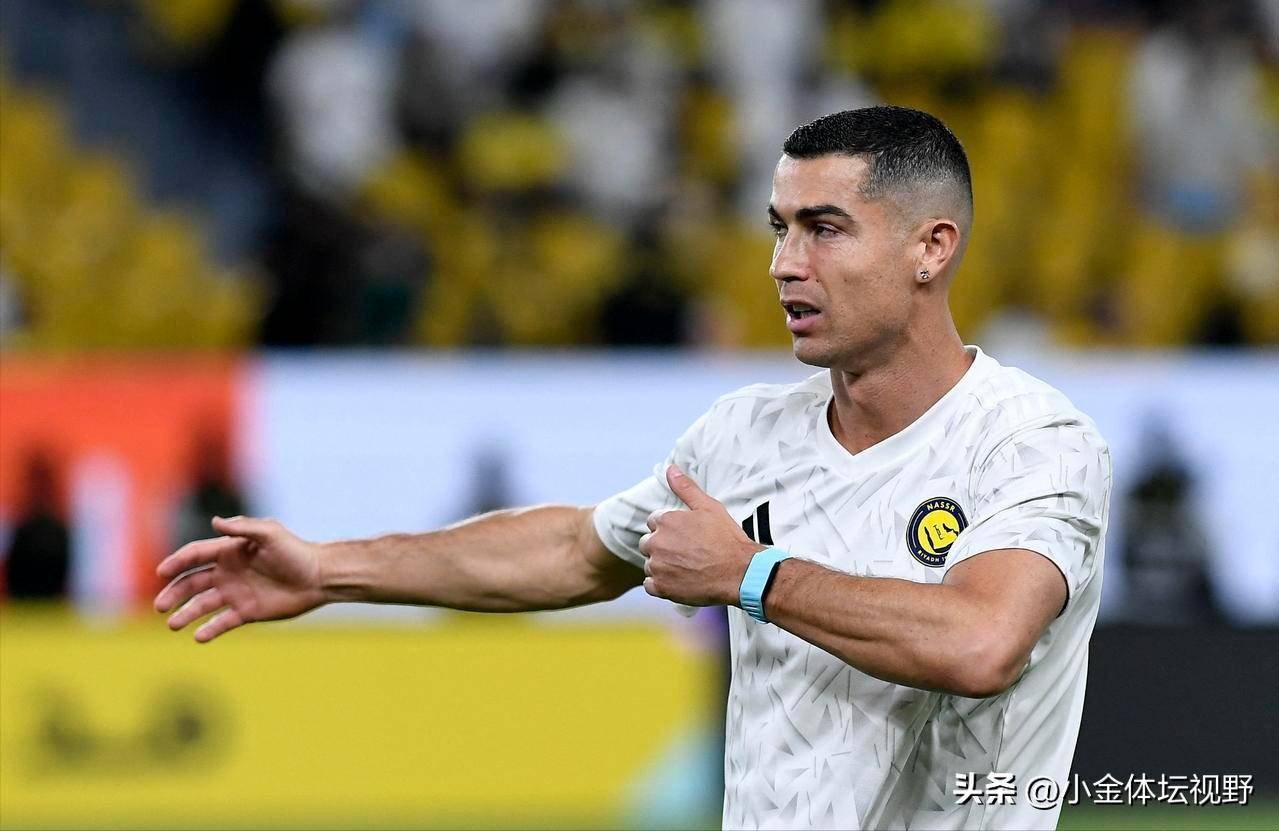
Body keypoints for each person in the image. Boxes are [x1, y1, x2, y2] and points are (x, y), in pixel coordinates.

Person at [155, 106, 1111, 830]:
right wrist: (329, 569)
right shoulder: (743, 437)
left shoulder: (1029, 440)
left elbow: (980, 642)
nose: (783, 264)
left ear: (930, 248)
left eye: (823, 228)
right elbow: (577, 550)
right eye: (777, 227)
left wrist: (749, 575)